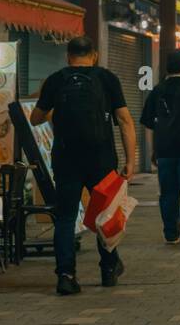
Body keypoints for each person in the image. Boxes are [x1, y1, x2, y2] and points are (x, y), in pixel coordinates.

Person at [32, 35, 137, 294]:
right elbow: (124, 121)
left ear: (68, 56)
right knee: (105, 212)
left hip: (67, 158)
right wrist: (131, 161)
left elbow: (35, 119)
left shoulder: (56, 79)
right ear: (95, 55)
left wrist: (53, 110)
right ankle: (109, 267)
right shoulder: (107, 78)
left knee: (66, 217)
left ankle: (66, 275)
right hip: (101, 158)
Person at [140, 49, 180, 247]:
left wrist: (155, 149)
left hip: (165, 150)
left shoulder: (158, 90)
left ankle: (170, 232)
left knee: (168, 192)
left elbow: (148, 122)